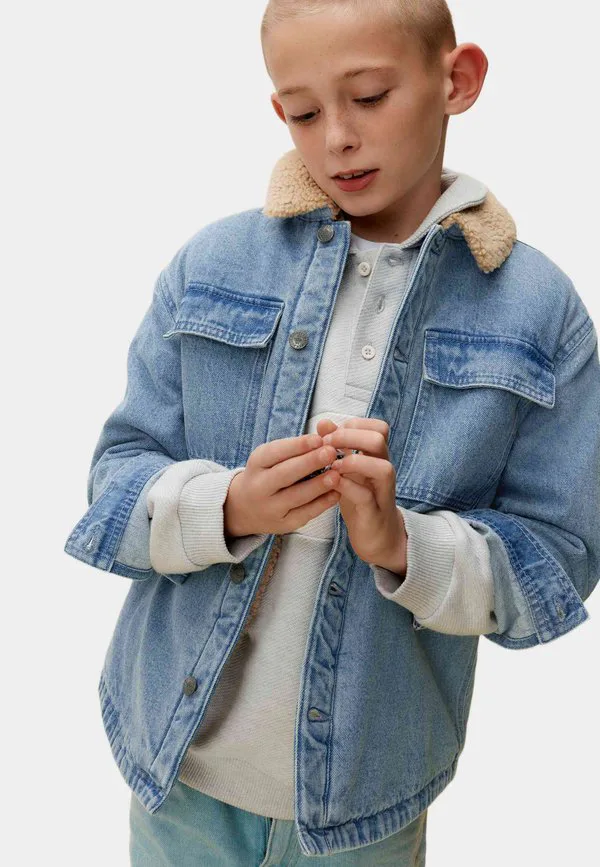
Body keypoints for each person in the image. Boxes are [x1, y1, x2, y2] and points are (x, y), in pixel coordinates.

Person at [64, 1, 600, 864]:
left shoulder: (539, 312)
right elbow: (115, 476)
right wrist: (228, 506)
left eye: (370, 96)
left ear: (458, 80)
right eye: (305, 112)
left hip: (368, 802)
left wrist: (403, 545)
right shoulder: (213, 262)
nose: (338, 138)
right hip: (178, 769)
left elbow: (557, 562)